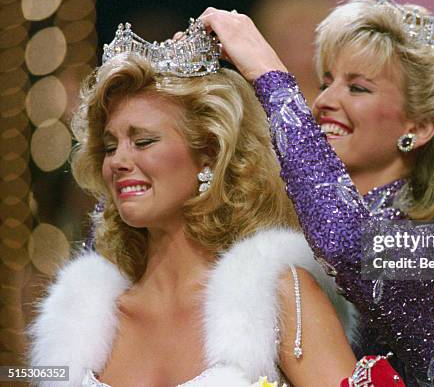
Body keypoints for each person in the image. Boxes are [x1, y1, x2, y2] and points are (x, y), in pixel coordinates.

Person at [28, 19, 358, 386]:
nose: (118, 161)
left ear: (209, 155)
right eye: (109, 146)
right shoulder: (77, 323)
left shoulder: (278, 297)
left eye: (143, 142)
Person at [199, 0, 434, 386]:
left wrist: (270, 75)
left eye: (358, 88)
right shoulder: (289, 227)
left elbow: (348, 244)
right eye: (325, 83)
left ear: (418, 127)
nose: (324, 101)